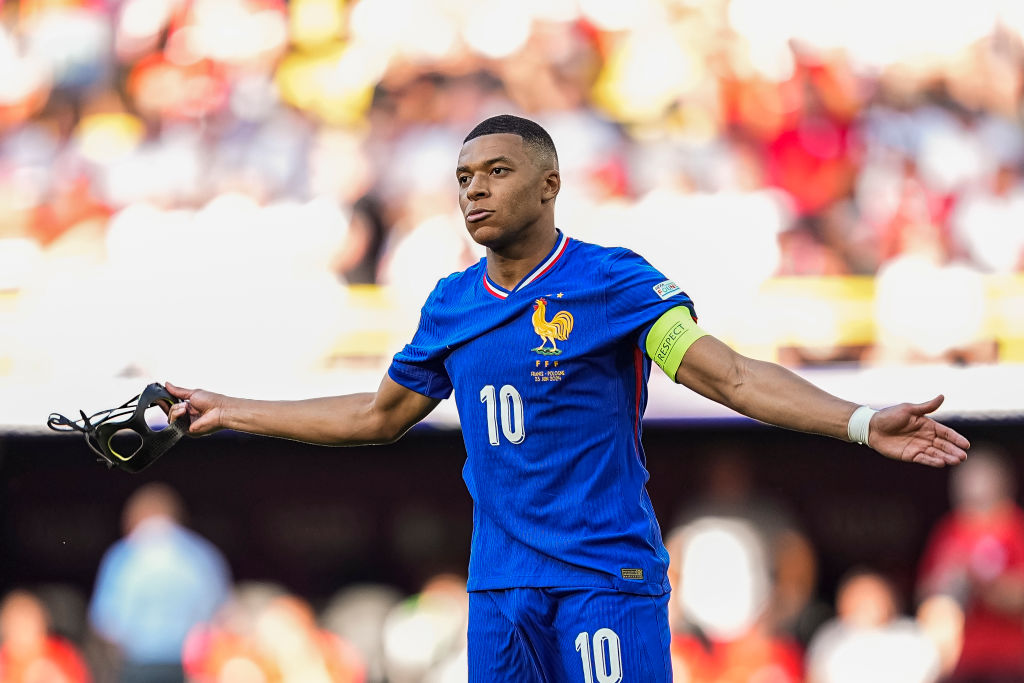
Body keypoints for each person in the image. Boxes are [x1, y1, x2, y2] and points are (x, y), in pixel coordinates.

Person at [166, 114, 970, 682]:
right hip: (500, 590)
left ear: (551, 184)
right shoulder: (450, 303)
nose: (474, 190)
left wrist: (861, 421)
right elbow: (378, 415)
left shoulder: (613, 283)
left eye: (496, 171)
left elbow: (728, 375)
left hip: (603, 582)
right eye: (463, 178)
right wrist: (229, 408)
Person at [88, 483, 231, 683]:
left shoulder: (123, 555)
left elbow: (106, 622)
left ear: (134, 518)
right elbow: (220, 615)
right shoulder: (202, 554)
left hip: (138, 667)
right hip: (189, 669)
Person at [917, 445, 1024, 682]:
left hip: (1012, 659)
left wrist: (982, 585)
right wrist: (948, 583)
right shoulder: (949, 530)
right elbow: (926, 596)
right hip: (963, 660)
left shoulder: (1017, 528)